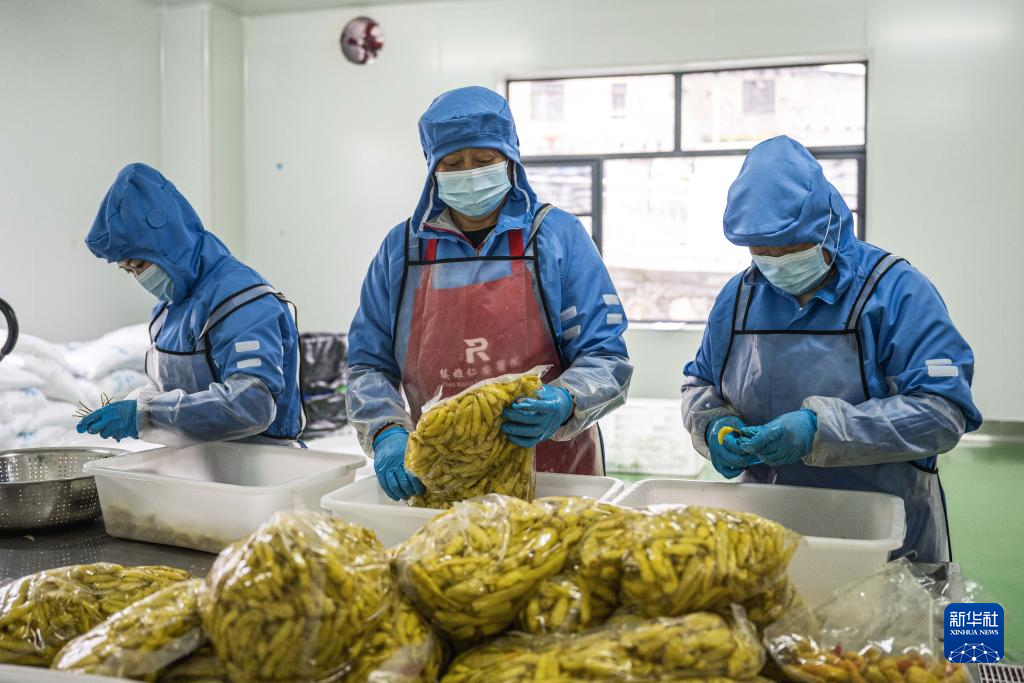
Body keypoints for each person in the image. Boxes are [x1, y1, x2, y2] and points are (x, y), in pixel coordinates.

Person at [681, 136, 981, 563]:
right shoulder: (739, 298)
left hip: (882, 530)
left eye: (791, 247)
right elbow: (700, 383)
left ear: (827, 226)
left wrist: (818, 430)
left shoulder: (896, 292)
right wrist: (714, 425)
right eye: (762, 251)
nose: (776, 261)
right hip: (769, 523)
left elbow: (942, 413)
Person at [347, 86, 632, 500]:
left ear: (510, 159)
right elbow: (368, 365)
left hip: (554, 476)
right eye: (452, 163)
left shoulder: (556, 237)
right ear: (432, 168)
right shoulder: (403, 251)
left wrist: (566, 400)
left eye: (483, 161)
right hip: (441, 474)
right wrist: (386, 430)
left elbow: (607, 358)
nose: (468, 172)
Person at [77, 163, 305, 446]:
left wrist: (146, 415)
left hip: (262, 462)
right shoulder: (165, 313)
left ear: (169, 244)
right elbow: (169, 394)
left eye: (140, 264)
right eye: (128, 270)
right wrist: (139, 403)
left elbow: (251, 405)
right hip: (203, 460)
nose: (139, 277)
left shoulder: (242, 302)